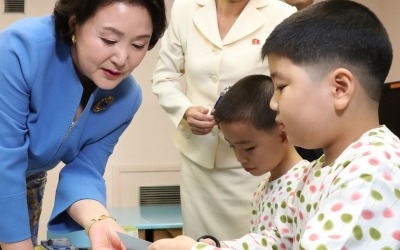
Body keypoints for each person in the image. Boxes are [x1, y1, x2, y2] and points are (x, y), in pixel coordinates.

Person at [148, 0, 400, 249]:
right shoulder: (323, 167)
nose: (272, 104)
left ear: (340, 88)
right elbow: (278, 239)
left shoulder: (374, 170)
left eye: (280, 87)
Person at [0, 0, 167, 249]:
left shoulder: (126, 98)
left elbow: (85, 170)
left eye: (138, 45)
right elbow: (4, 157)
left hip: (25, 184)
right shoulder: (20, 50)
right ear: (74, 23)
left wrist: (99, 221)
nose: (122, 59)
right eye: (109, 40)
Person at [151, 0, 297, 240]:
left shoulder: (281, 14)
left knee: (251, 239)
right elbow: (163, 76)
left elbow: (288, 82)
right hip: (197, 162)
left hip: (252, 161)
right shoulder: (186, 8)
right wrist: (186, 110)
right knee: (200, 241)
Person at [196, 74, 310, 248]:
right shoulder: (263, 187)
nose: (240, 158)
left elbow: (278, 243)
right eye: (232, 146)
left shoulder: (305, 186)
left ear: (283, 132)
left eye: (249, 148)